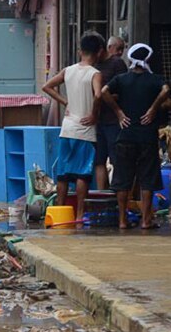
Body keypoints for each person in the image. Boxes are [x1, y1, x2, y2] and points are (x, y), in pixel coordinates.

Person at [101, 43, 169, 229]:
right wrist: (154, 108)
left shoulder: (122, 79)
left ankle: (122, 220)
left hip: (125, 136)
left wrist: (119, 113)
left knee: (123, 180)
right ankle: (146, 220)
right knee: (147, 180)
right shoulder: (154, 80)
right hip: (147, 137)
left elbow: (103, 92)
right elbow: (166, 90)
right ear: (148, 59)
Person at [42, 33, 105, 223]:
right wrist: (94, 114)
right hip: (85, 130)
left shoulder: (68, 70)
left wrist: (65, 102)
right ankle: (79, 214)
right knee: (82, 174)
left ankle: (61, 211)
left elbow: (47, 86)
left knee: (63, 173)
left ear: (80, 52)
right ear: (99, 52)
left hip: (67, 127)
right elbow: (99, 95)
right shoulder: (95, 73)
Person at [93, 36, 129, 189]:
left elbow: (123, 91)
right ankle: (101, 192)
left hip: (113, 120)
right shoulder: (93, 64)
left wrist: (102, 97)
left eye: (122, 49)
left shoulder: (117, 64)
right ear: (107, 47)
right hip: (97, 119)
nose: (120, 52)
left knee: (116, 159)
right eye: (118, 49)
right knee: (99, 160)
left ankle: (117, 192)